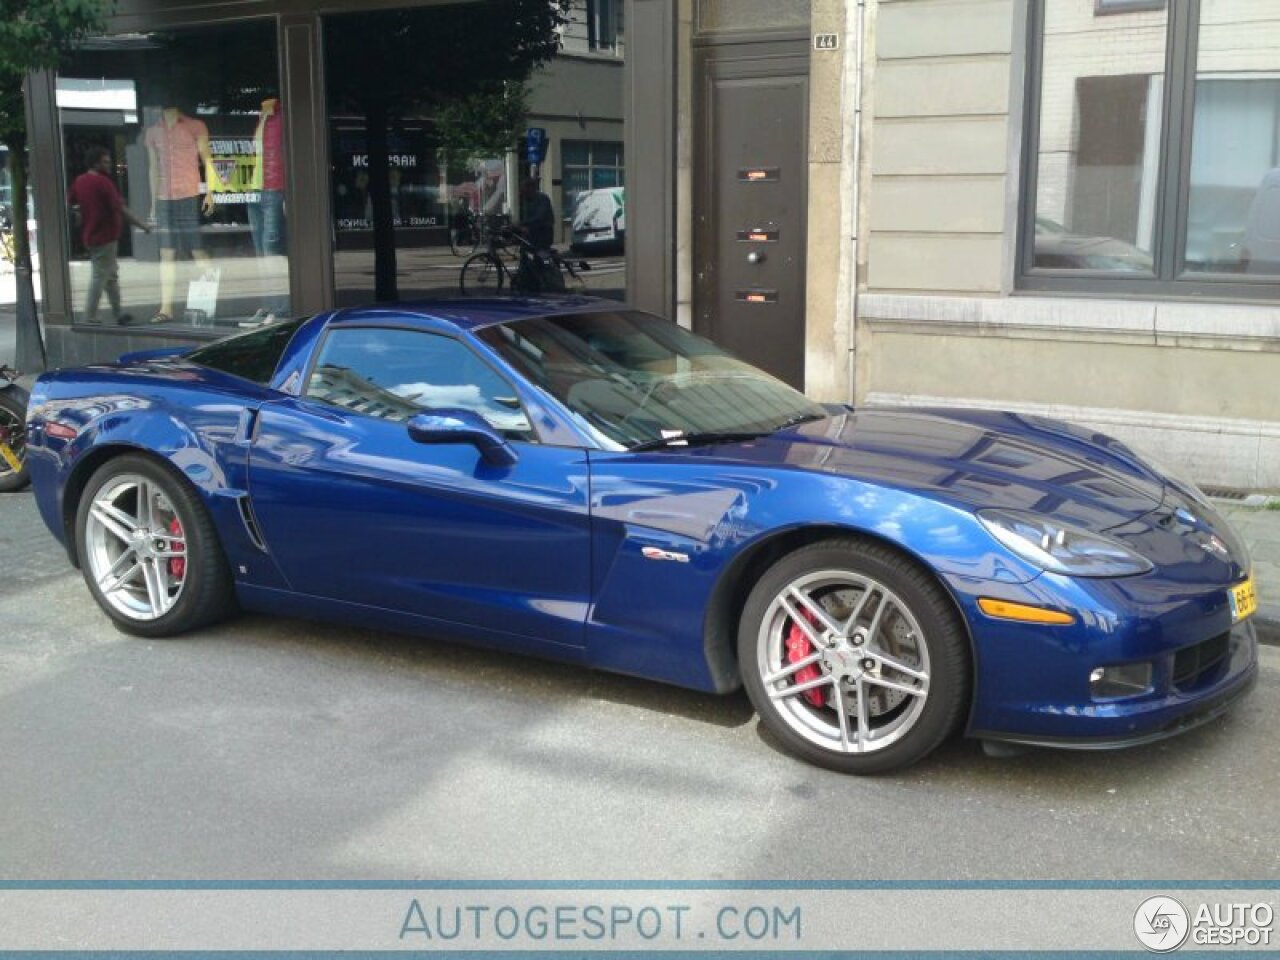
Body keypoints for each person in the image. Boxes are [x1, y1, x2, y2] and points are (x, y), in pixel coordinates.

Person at [145, 105, 219, 324]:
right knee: (167, 254)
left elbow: (207, 158)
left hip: (189, 194)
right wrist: (152, 204)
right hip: (164, 198)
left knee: (196, 251)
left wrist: (210, 192)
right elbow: (153, 168)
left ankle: (205, 304)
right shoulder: (153, 132)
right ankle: (166, 307)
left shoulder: (195, 126)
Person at [66, 147, 151, 326]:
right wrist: (142, 225)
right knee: (100, 276)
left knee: (110, 275)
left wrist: (80, 212)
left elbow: (72, 201)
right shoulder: (104, 183)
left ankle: (118, 313)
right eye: (105, 162)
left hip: (90, 235)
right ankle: (89, 316)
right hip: (105, 236)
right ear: (95, 163)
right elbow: (121, 209)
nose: (109, 165)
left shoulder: (80, 181)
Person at [518, 176, 555, 251]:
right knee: (524, 251)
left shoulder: (542, 198)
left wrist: (522, 223)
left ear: (531, 188)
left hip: (543, 233)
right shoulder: (527, 200)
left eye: (525, 190)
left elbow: (540, 216)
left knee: (540, 254)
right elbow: (526, 216)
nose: (523, 193)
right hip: (531, 234)